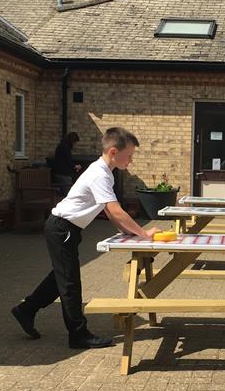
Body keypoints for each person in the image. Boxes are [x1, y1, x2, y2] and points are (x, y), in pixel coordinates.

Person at [11, 127, 160, 348]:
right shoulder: (100, 174)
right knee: (70, 283)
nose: (130, 160)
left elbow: (110, 212)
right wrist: (143, 233)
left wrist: (127, 232)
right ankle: (78, 334)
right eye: (129, 155)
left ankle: (26, 310)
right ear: (113, 152)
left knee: (60, 278)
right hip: (62, 228)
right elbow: (116, 210)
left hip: (67, 229)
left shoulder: (104, 172)